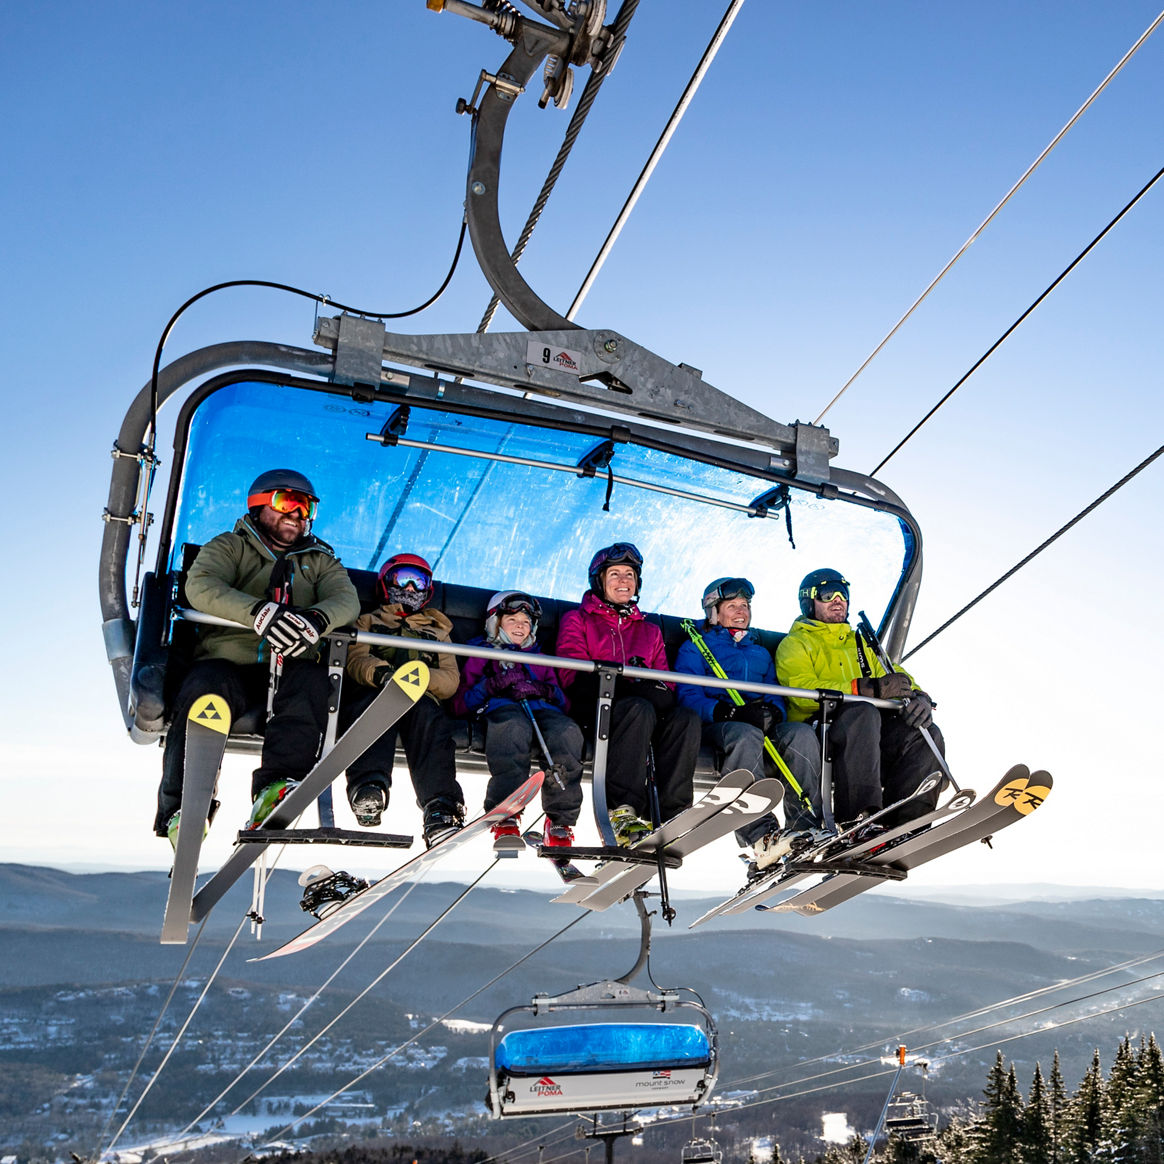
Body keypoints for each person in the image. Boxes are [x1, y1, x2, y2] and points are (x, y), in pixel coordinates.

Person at [153, 469, 361, 844]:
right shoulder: (232, 547)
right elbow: (200, 586)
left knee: (313, 682)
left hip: (288, 668)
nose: (298, 514)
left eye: (307, 506)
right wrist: (259, 613)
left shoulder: (319, 560)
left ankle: (276, 789)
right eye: (288, 502)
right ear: (259, 504)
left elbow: (346, 600)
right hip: (229, 663)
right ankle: (184, 807)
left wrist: (317, 619)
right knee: (206, 689)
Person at [775, 568, 942, 835]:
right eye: (828, 594)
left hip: (868, 733)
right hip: (822, 730)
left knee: (924, 733)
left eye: (844, 594)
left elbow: (896, 677)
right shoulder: (796, 644)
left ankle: (908, 822)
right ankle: (858, 820)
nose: (838, 599)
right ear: (809, 601)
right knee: (862, 712)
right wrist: (866, 689)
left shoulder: (862, 644)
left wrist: (919, 697)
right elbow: (800, 691)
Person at [555, 542, 700, 845]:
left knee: (685, 718)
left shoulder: (649, 631)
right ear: (600, 581)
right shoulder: (578, 619)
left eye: (630, 575)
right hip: (593, 706)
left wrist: (653, 690)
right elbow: (571, 673)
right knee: (638, 708)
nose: (624, 581)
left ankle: (673, 812)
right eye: (615, 574)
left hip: (640, 711)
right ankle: (622, 810)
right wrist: (626, 685)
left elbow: (666, 683)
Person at [674, 577, 822, 867]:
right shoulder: (696, 647)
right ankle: (760, 835)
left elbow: (777, 691)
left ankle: (803, 827)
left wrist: (774, 713)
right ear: (714, 612)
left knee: (800, 734)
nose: (741, 611)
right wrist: (725, 713)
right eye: (732, 606)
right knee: (744, 736)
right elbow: (687, 694)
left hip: (758, 722)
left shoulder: (760, 651)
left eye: (745, 605)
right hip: (719, 724)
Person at [343, 553, 464, 846]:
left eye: (418, 582)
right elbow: (356, 659)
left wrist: (419, 679)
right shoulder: (369, 620)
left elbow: (450, 678)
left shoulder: (437, 631)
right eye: (402, 579)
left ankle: (440, 806)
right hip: (377, 689)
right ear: (386, 583)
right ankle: (369, 788)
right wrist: (384, 675)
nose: (410, 588)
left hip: (419, 697)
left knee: (429, 719)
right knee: (374, 710)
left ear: (427, 590)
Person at [452, 591, 584, 851]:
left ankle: (560, 821)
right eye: (512, 620)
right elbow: (459, 704)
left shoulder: (540, 658)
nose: (520, 627)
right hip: (502, 708)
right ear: (496, 623)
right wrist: (491, 685)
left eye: (526, 622)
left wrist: (543, 690)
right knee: (512, 728)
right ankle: (506, 815)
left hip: (543, 711)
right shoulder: (481, 653)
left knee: (566, 731)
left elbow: (565, 704)